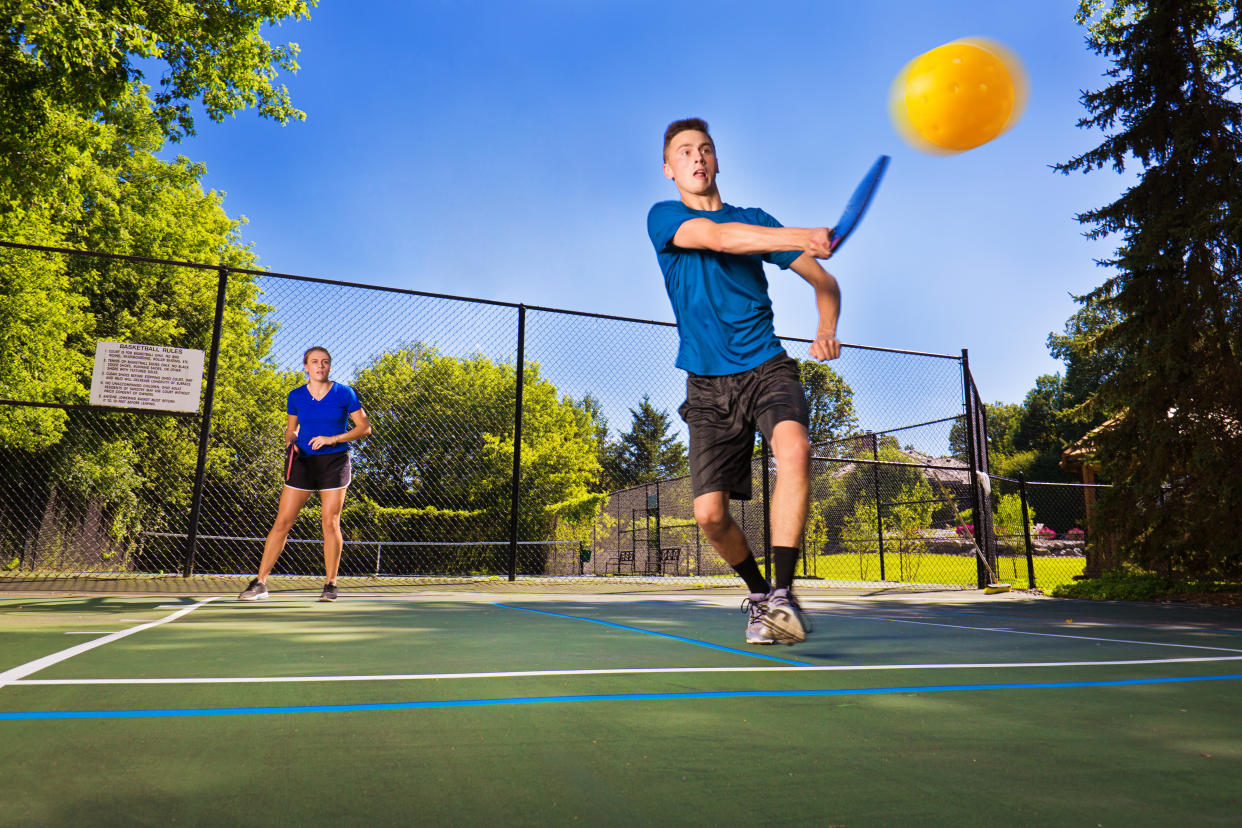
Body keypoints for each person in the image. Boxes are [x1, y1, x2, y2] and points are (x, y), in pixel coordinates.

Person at [647, 118, 842, 645]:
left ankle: (782, 594)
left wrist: (827, 327)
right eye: (685, 151)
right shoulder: (664, 218)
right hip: (707, 385)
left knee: (795, 449)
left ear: (716, 161)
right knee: (710, 515)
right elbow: (720, 239)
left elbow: (825, 282)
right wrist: (802, 234)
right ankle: (758, 596)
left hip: (766, 366)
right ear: (669, 169)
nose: (697, 157)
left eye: (705, 148)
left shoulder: (756, 220)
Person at [239, 346, 371, 602]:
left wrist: (333, 439)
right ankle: (260, 583)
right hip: (303, 462)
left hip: (334, 462)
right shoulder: (296, 396)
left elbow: (364, 428)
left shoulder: (345, 393)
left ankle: (331, 584)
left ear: (329, 366)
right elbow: (291, 430)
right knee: (282, 522)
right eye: (314, 362)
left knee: (329, 521)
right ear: (306, 366)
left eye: (325, 362)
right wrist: (292, 442)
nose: (320, 366)